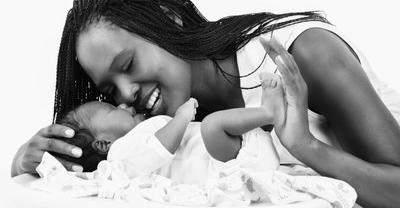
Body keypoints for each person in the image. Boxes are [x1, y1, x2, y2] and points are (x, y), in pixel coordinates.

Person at [11, 0, 400, 207]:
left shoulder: (305, 55)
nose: (127, 94)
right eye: (110, 91)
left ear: (170, 19)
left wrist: (305, 146)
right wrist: (27, 162)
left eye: (127, 65)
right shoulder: (164, 130)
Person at [54, 74, 282, 183]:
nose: (123, 104)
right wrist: (181, 117)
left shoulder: (132, 141)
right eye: (112, 110)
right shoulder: (120, 154)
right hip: (226, 162)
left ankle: (267, 115)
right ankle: (268, 112)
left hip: (231, 152)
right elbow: (160, 149)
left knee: (214, 126)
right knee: (213, 125)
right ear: (103, 144)